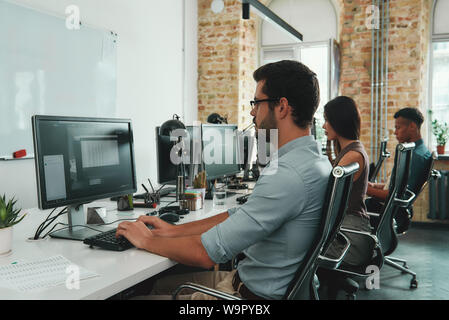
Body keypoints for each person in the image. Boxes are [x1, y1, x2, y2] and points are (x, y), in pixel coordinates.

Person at [115, 60, 332, 300]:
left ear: (281, 107)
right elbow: (238, 216)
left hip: (249, 298)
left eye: (257, 103)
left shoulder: (288, 175)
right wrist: (172, 231)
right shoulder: (314, 161)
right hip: (249, 283)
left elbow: (206, 254)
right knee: (157, 286)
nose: (252, 112)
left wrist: (146, 239)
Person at [321, 96, 373, 267]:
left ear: (338, 121)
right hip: (346, 231)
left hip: (350, 240)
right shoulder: (351, 150)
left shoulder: (352, 155)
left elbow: (328, 196)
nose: (323, 126)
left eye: (327, 120)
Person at [365, 107, 432, 232]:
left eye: (398, 127)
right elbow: (396, 186)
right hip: (392, 208)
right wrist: (373, 185)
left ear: (412, 126)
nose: (395, 132)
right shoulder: (417, 151)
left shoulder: (414, 156)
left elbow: (396, 195)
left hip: (392, 213)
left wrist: (366, 189)